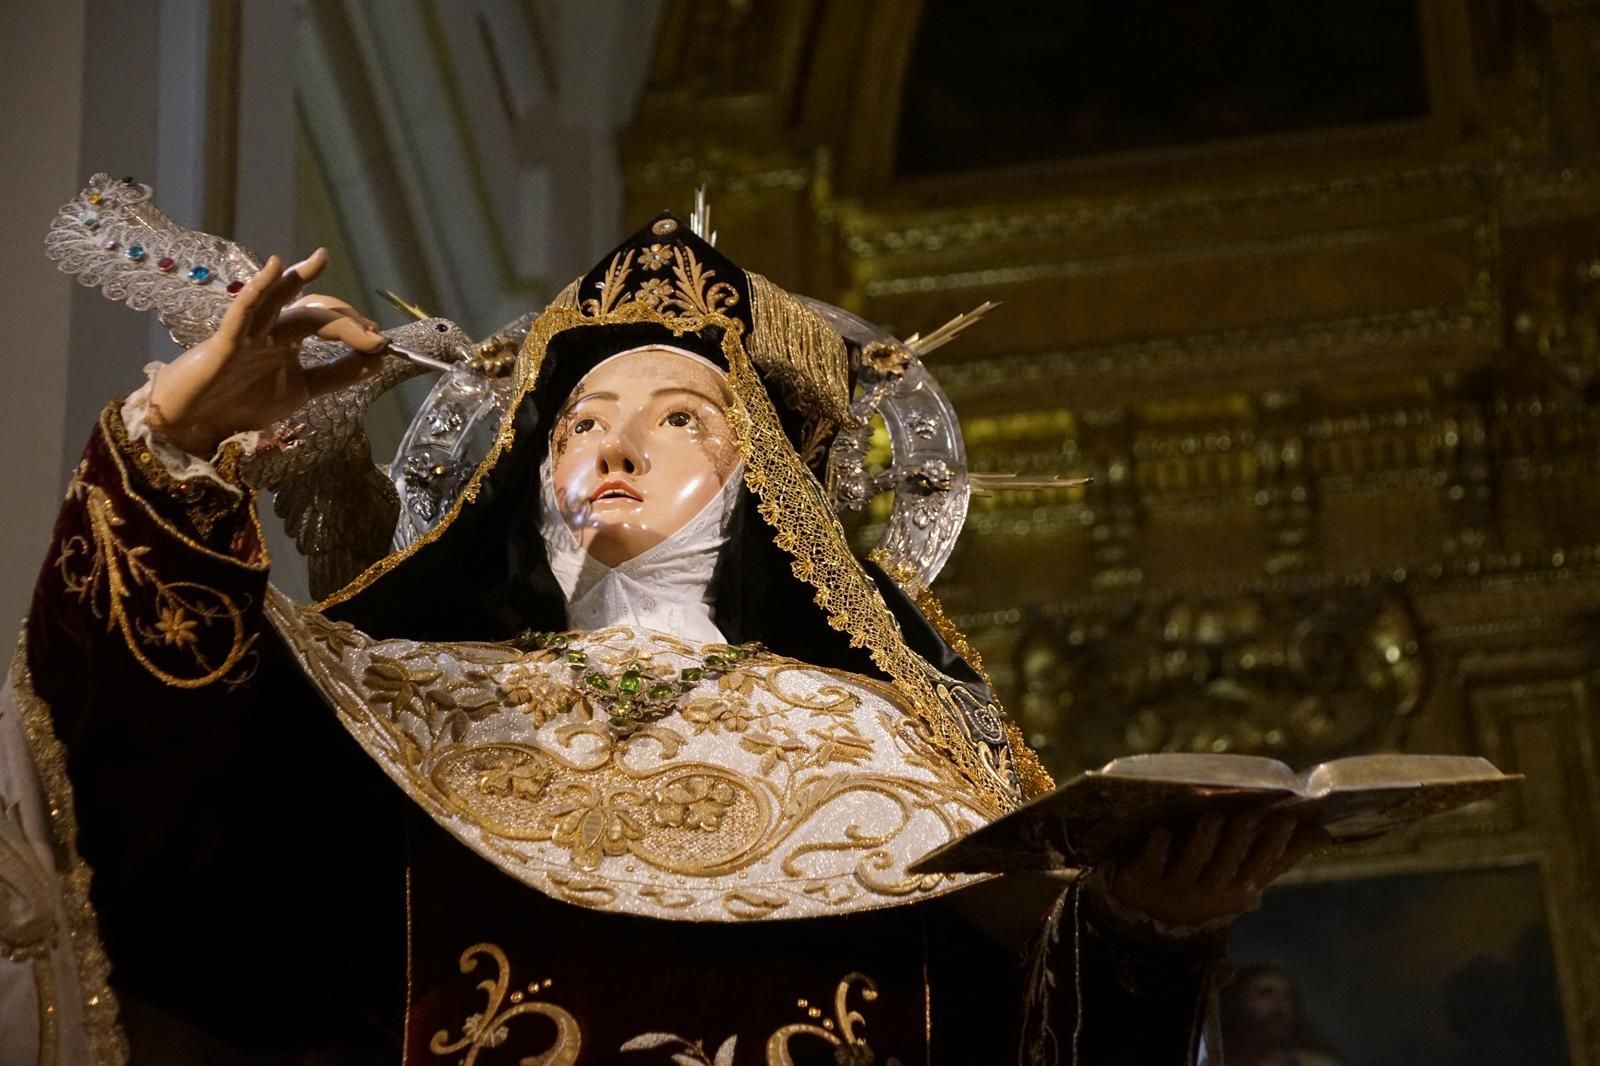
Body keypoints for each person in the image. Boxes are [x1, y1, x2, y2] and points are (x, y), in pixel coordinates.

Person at [1, 209, 1323, 1065]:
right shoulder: (401, 715)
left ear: (764, 481)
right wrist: (173, 445)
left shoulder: (892, 754)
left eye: (679, 415)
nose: (614, 440)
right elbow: (139, 785)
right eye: (577, 419)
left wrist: (1150, 938)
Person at [1219, 965, 1344, 1066]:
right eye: (1265, 993)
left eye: (1287, 996)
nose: (1279, 1004)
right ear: (1240, 1002)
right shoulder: (1215, 1060)